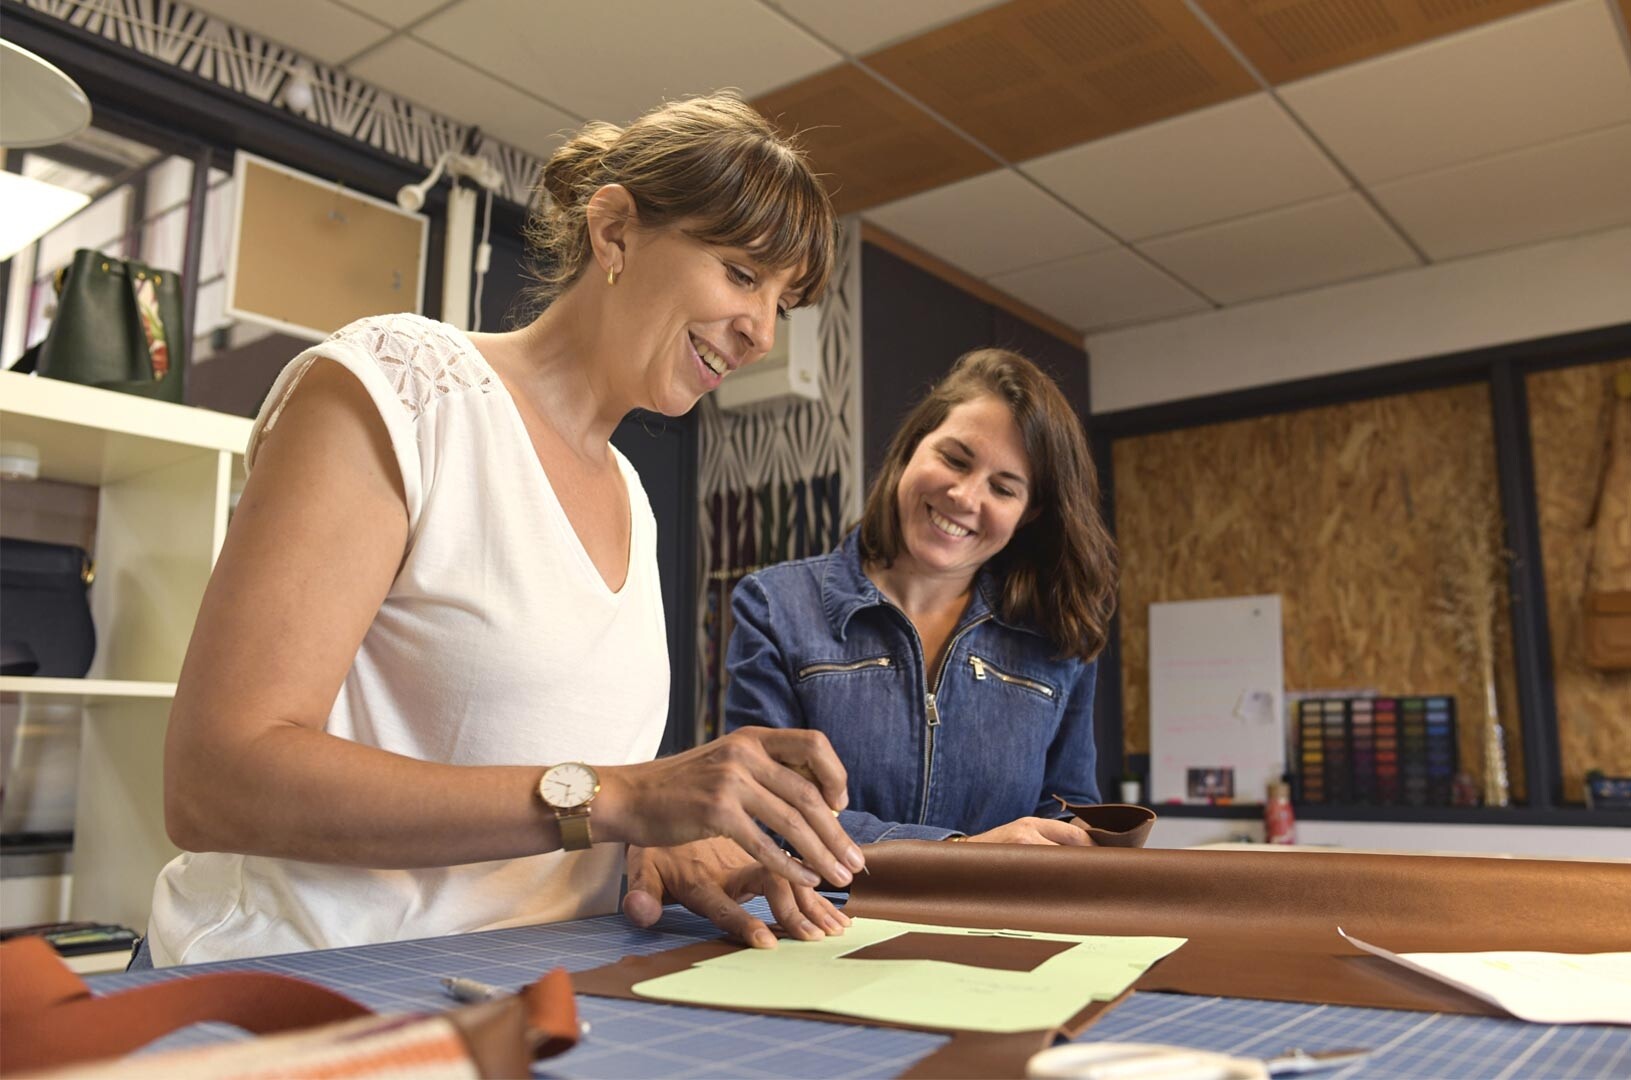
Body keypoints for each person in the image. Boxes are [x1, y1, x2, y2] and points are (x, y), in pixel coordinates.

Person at [142, 93, 863, 968]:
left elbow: (552, 795)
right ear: (616, 233)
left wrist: (649, 843)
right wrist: (620, 801)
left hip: (525, 974)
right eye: (743, 275)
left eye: (784, 303)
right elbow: (216, 780)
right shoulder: (402, 388)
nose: (759, 332)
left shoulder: (631, 496)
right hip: (308, 975)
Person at [725, 348, 1119, 845]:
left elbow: (1065, 813)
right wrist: (962, 855)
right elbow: (766, 813)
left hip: (998, 924)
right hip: (824, 921)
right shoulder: (775, 606)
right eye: (954, 459)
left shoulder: (1058, 636)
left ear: (1030, 514)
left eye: (1003, 488)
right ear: (913, 446)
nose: (965, 496)